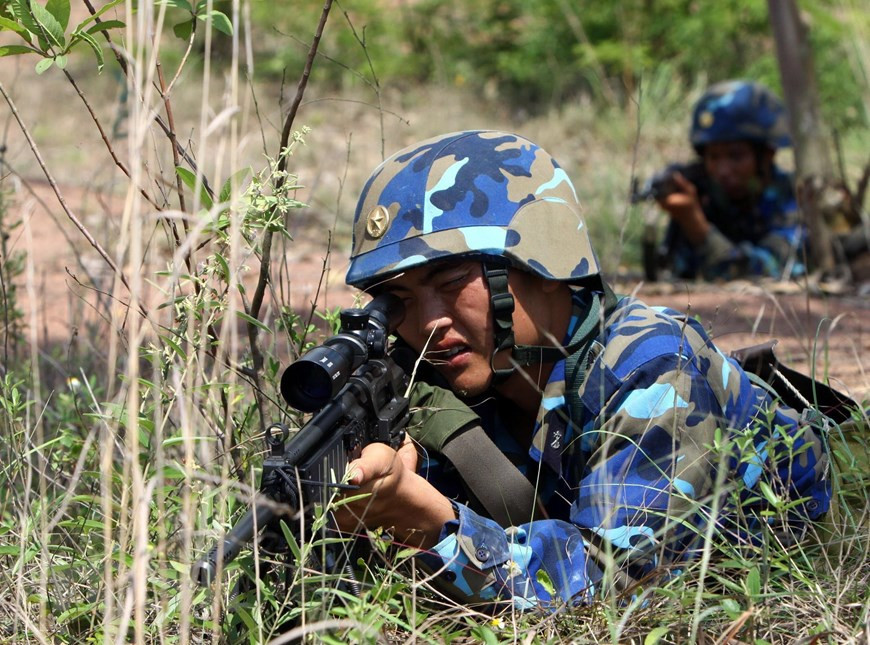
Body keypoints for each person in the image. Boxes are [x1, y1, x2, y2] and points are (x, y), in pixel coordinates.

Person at [334, 130, 831, 610]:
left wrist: (427, 520)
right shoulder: (425, 377)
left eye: (453, 281)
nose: (427, 324)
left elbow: (613, 582)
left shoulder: (653, 368)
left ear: (546, 264)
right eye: (398, 300)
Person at [654, 79, 806, 280]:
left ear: (767, 155)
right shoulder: (708, 195)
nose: (723, 170)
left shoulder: (794, 198)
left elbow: (763, 270)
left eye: (736, 156)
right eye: (713, 157)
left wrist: (696, 224)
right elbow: (677, 271)